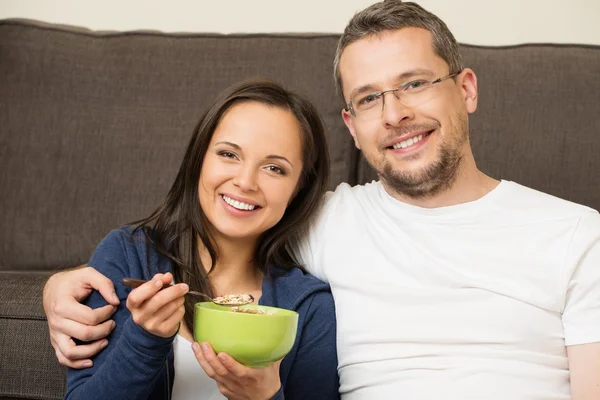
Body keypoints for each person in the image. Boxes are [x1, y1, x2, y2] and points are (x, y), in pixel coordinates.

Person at [43, 1, 600, 399]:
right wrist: (64, 284)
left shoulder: (576, 234)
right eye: (369, 98)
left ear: (467, 89)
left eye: (414, 83)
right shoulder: (328, 220)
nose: (395, 113)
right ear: (351, 126)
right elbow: (209, 230)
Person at [60, 78, 339, 400]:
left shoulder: (310, 308)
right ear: (199, 159)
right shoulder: (128, 255)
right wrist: (145, 339)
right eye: (228, 154)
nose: (245, 181)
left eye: (274, 168)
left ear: (299, 188)